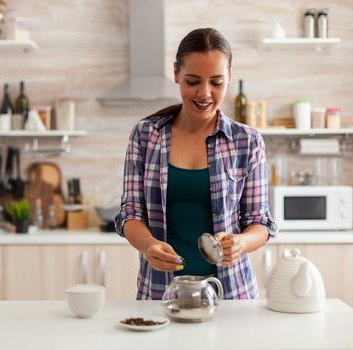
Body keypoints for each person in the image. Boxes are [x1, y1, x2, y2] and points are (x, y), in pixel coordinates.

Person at [115, 28, 277, 300]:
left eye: (217, 82)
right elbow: (130, 213)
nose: (205, 93)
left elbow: (260, 222)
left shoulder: (247, 142)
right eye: (193, 81)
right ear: (176, 72)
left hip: (231, 294)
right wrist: (149, 244)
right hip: (161, 294)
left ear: (229, 78)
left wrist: (241, 243)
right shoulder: (145, 136)